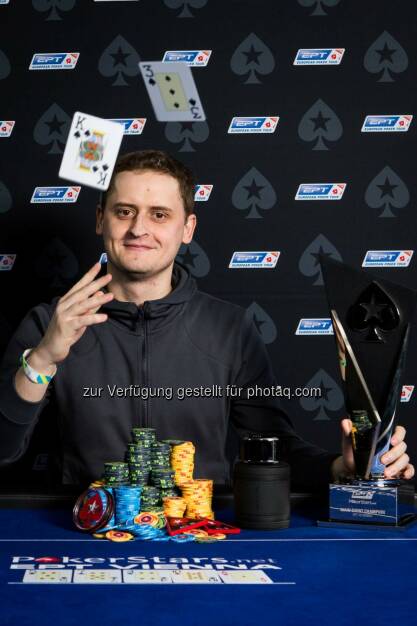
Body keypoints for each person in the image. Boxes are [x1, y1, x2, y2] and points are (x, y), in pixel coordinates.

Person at [0, 150, 413, 489]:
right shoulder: (50, 323)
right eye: (124, 211)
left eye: (159, 214)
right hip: (85, 533)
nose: (138, 228)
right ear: (100, 219)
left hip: (202, 535)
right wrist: (41, 361)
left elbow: (272, 447)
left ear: (188, 228)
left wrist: (339, 469)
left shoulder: (230, 328)